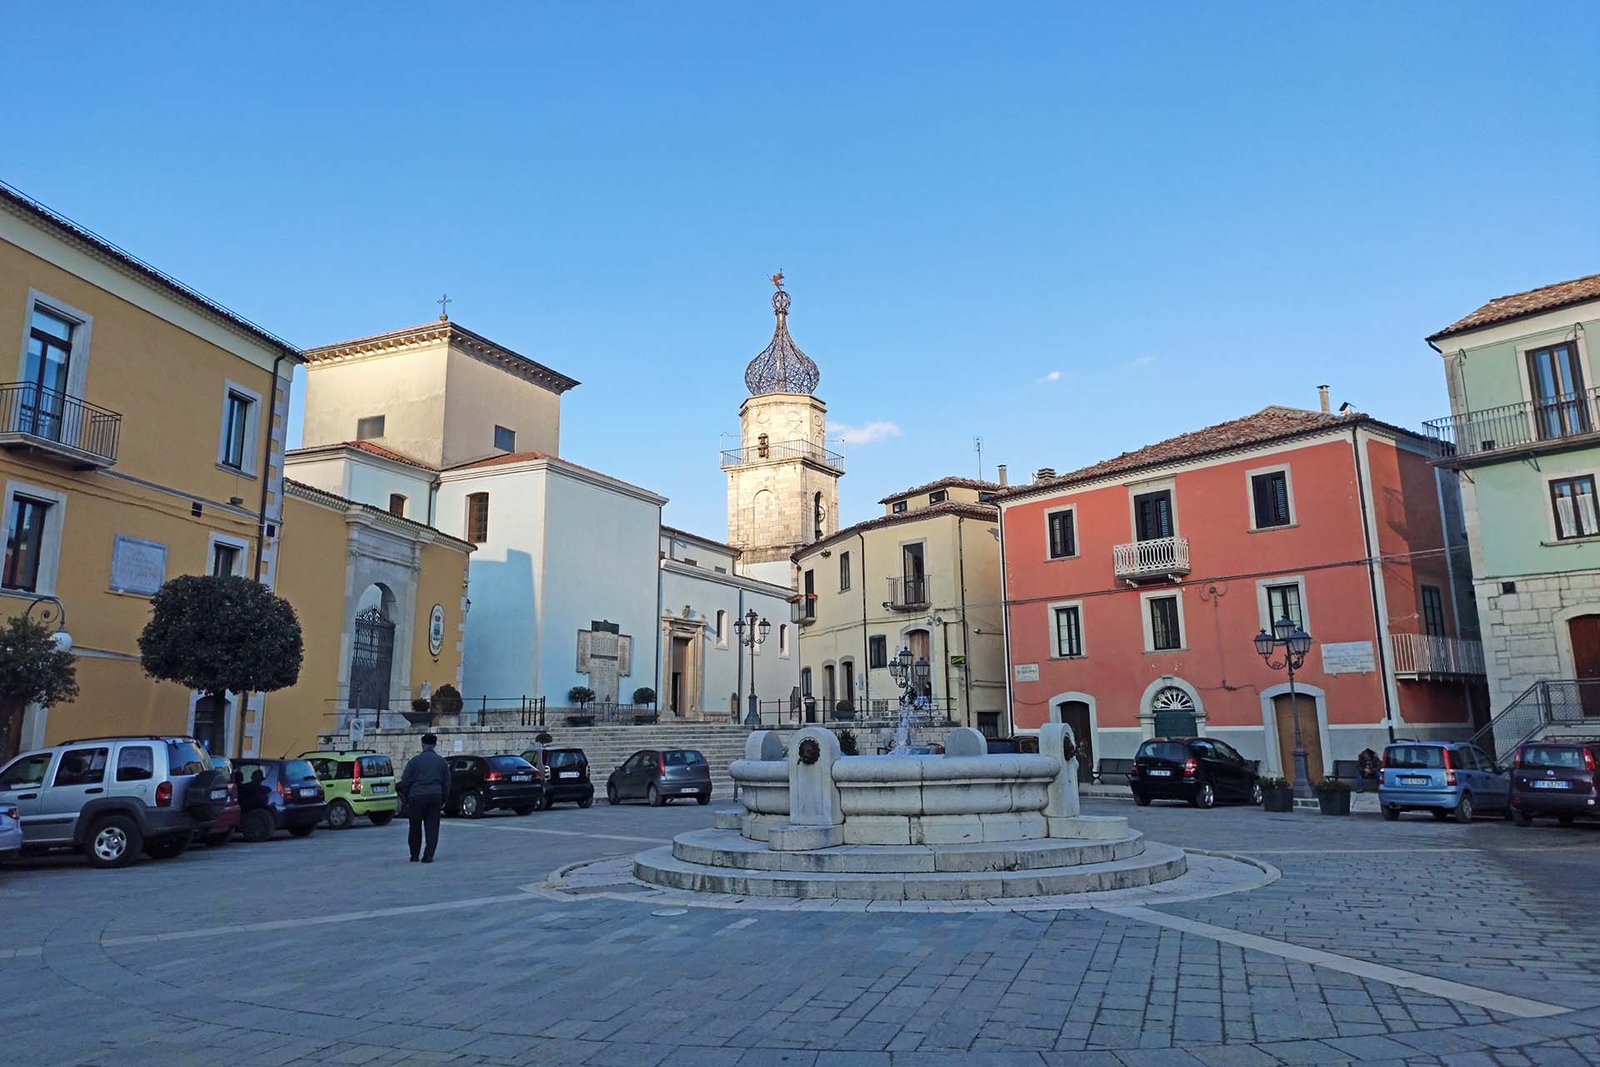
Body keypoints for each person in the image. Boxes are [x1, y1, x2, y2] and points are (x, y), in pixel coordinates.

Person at [399, 733, 452, 863]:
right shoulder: (442, 762)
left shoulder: (414, 761)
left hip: (416, 797)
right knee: (432, 827)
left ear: (422, 744)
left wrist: (406, 797)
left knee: (415, 827)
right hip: (435, 796)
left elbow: (405, 781)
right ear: (435, 744)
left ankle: (414, 854)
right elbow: (447, 783)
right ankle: (428, 855)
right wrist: (444, 799)